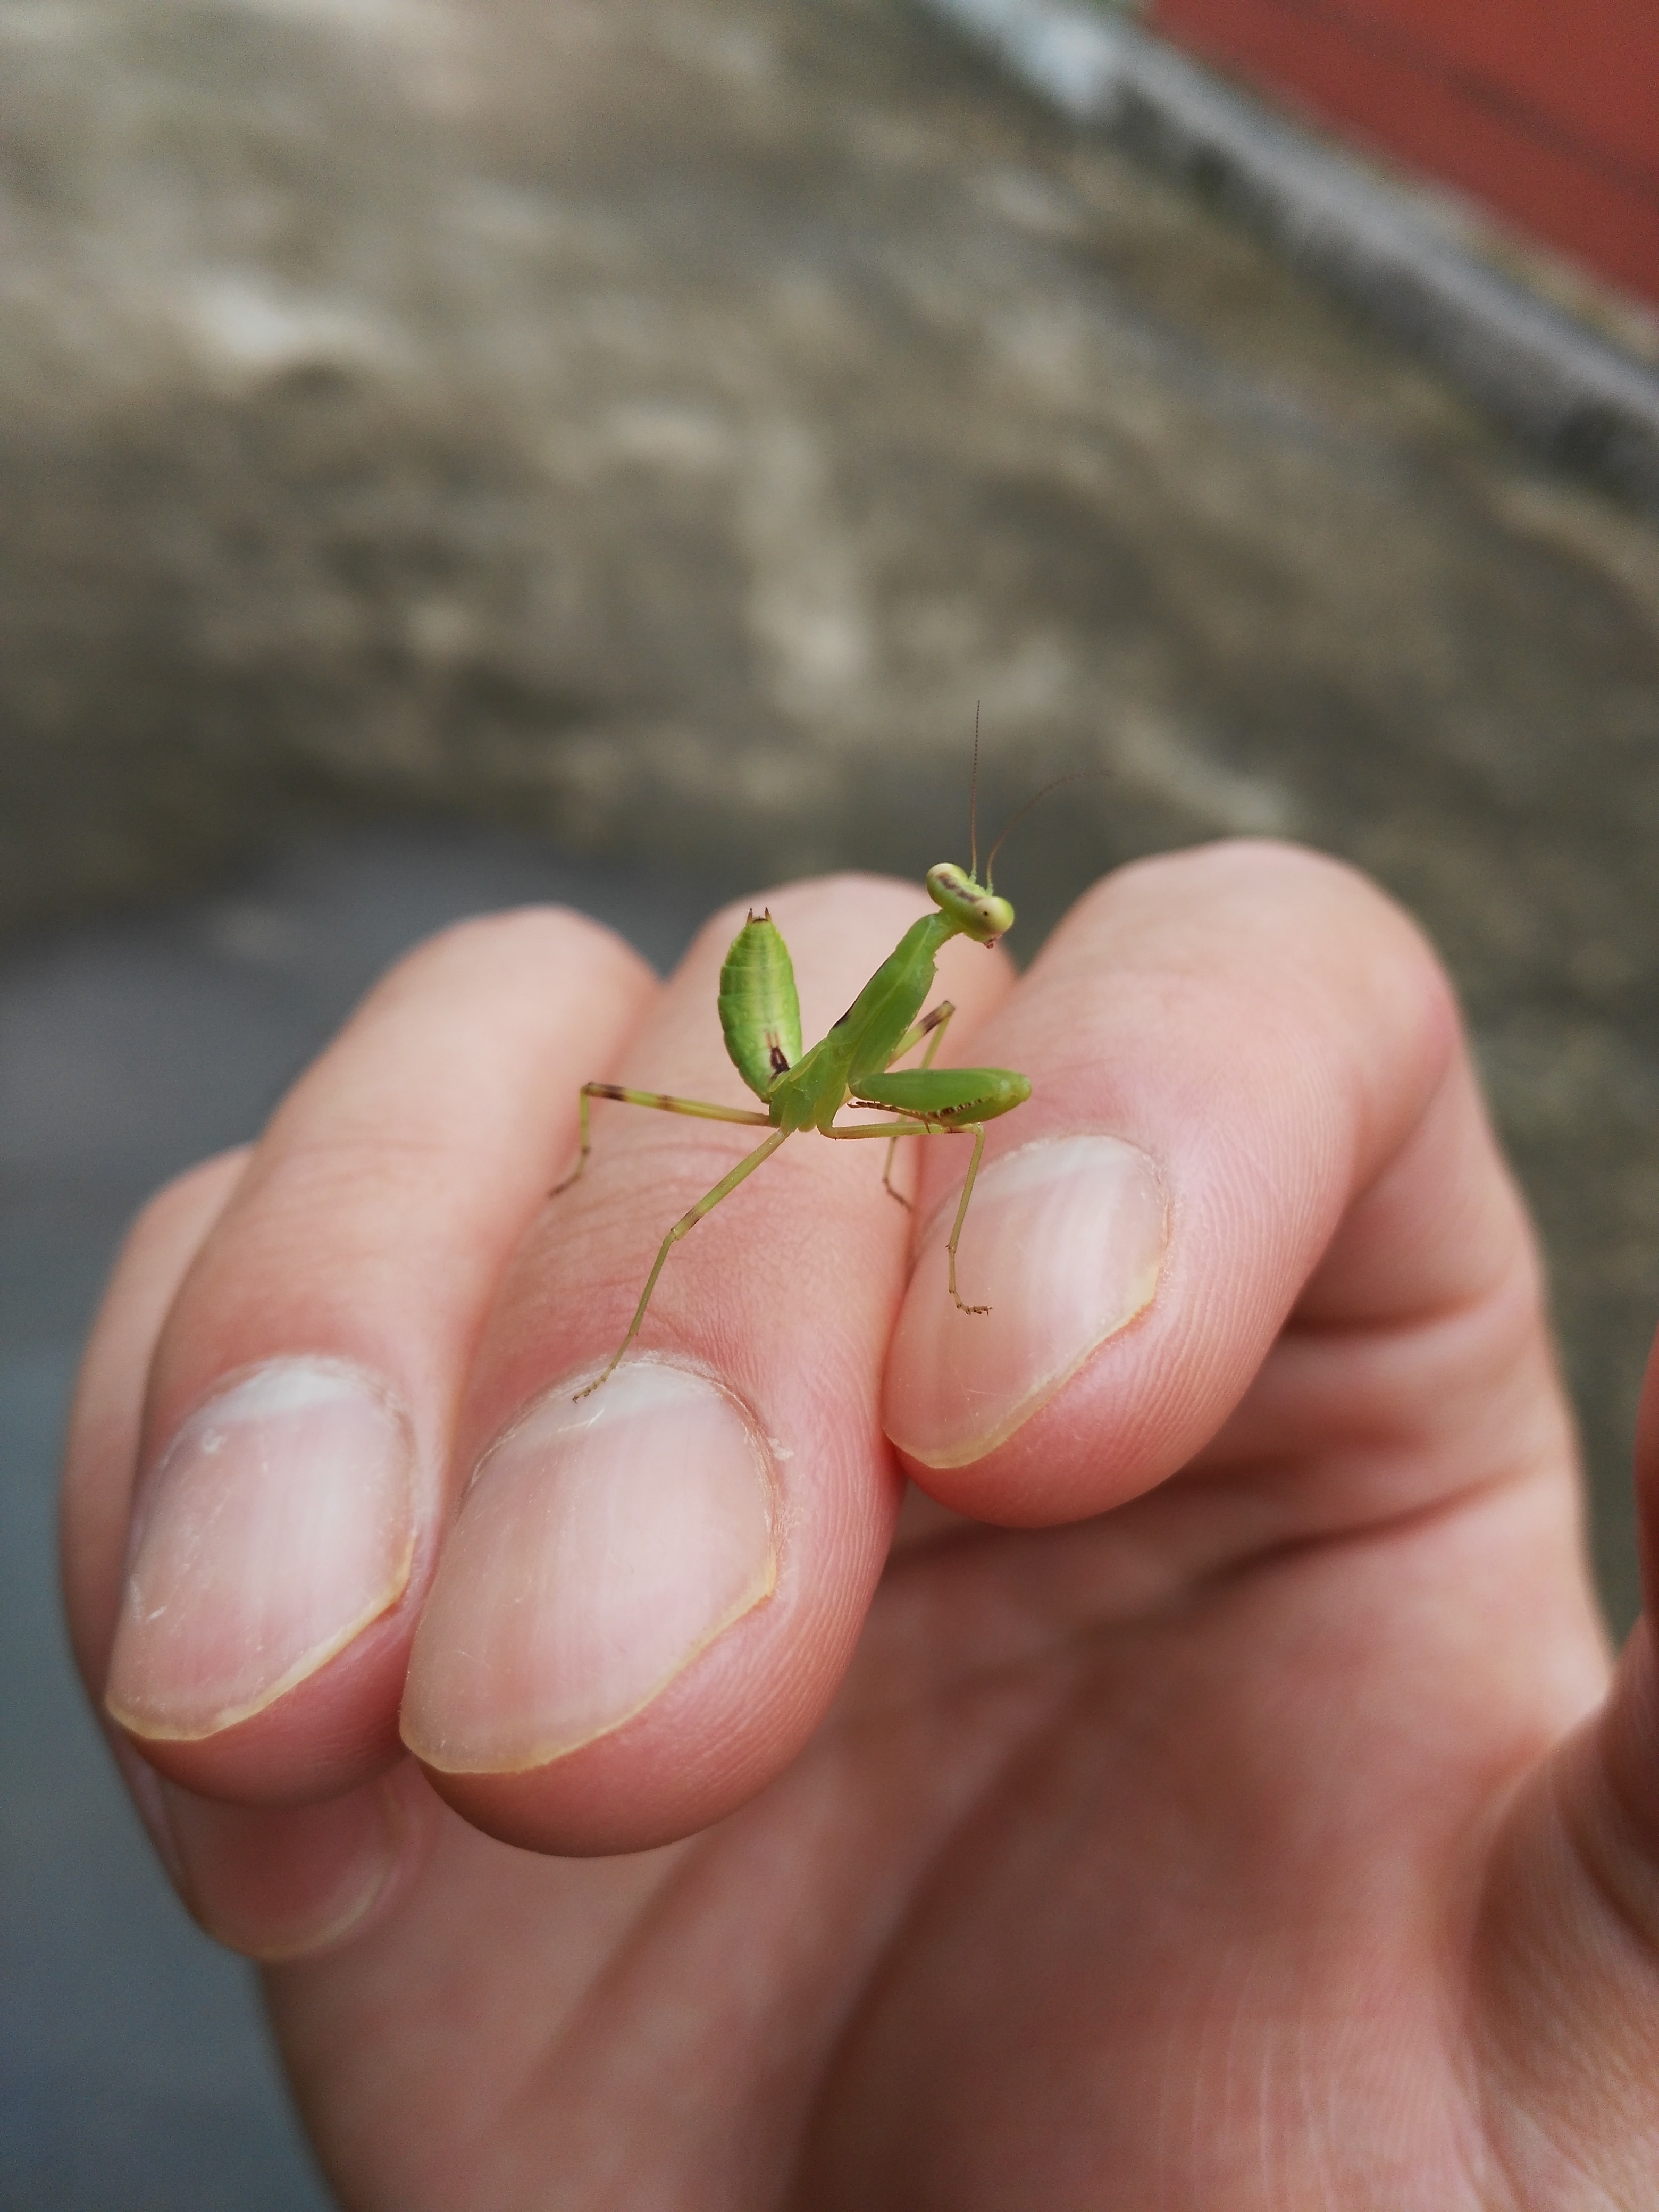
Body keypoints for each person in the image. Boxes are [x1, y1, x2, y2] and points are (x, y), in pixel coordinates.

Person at [61, 844, 1659, 2206]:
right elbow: (846, 1096)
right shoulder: (860, 1034)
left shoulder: (918, 1039)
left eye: (968, 917)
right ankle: (620, 1367)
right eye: (960, 915)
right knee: (682, 1182)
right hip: (749, 1131)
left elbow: (953, 1100)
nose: (970, 926)